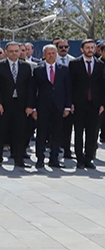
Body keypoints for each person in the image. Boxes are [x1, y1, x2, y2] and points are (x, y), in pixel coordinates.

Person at [0, 42, 33, 169]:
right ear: (6, 52)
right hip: (4, 104)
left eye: (16, 51)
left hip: (20, 104)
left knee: (19, 132)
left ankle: (18, 159)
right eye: (11, 51)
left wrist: (29, 105)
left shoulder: (26, 66)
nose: (14, 53)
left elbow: (30, 88)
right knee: (0, 132)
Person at [32, 44, 71, 169]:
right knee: (42, 133)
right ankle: (40, 159)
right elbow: (33, 90)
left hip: (58, 106)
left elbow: (68, 89)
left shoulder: (63, 69)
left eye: (53, 53)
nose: (51, 55)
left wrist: (67, 107)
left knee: (56, 134)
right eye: (48, 53)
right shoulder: (38, 69)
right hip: (42, 107)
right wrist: (33, 108)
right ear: (44, 55)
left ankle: (54, 159)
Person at [68, 39, 104, 169]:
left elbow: (102, 85)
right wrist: (70, 102)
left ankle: (89, 158)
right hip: (79, 103)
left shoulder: (100, 65)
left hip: (94, 104)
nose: (90, 50)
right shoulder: (74, 63)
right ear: (82, 49)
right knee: (78, 132)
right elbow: (70, 84)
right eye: (87, 47)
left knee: (92, 133)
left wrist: (102, 104)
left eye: (92, 47)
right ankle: (79, 159)